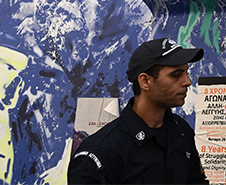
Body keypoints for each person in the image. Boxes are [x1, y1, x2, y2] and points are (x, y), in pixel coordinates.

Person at [68, 38, 209, 184]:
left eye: (186, 72)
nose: (187, 81)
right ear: (145, 81)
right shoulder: (101, 152)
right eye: (176, 75)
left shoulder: (181, 131)